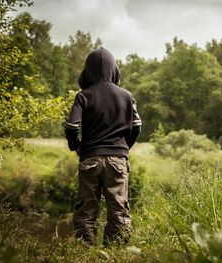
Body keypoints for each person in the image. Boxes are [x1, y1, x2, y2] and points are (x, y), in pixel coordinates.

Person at [64, 47, 142, 246]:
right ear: (114, 69)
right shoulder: (126, 96)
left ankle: (85, 250)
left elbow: (72, 126)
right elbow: (137, 126)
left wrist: (77, 147)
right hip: (118, 161)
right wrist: (124, 149)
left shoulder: (83, 96)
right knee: (118, 210)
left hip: (89, 160)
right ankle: (114, 252)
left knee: (86, 210)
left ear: (87, 70)